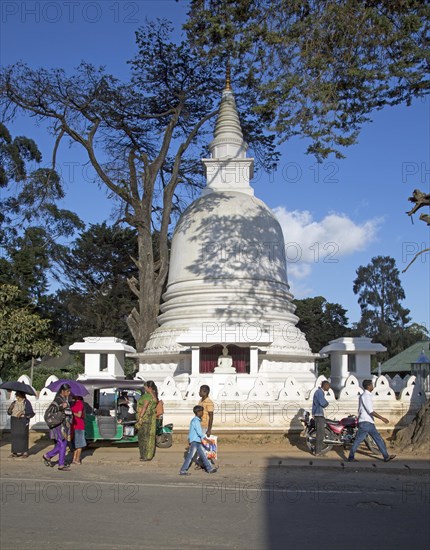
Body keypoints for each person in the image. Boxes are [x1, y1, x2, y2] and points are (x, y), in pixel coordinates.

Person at [348, 379, 396, 463]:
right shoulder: (366, 396)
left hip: (366, 422)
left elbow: (360, 410)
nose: (373, 386)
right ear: (368, 386)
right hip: (366, 422)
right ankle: (351, 457)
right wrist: (382, 418)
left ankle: (386, 456)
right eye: (372, 385)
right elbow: (370, 411)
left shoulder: (364, 395)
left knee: (376, 439)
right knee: (361, 440)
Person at [180, 405, 217, 476]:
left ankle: (209, 469)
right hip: (195, 442)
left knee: (203, 455)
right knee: (190, 456)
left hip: (196, 441)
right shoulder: (196, 421)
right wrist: (206, 440)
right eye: (202, 411)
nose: (203, 413)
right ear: (198, 412)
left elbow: (191, 432)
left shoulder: (194, 420)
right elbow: (199, 432)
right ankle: (183, 470)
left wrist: (189, 439)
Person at [43, 383, 73, 471]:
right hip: (59, 425)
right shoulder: (58, 400)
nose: (69, 393)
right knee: (62, 443)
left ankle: (49, 456)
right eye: (67, 391)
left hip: (64, 425)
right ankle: (60, 464)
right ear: (62, 391)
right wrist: (61, 407)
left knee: (62, 443)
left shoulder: (64, 399)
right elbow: (51, 410)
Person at [7, 391, 35, 458]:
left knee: (23, 436)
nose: (17, 396)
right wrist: (11, 408)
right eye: (16, 395)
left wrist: (23, 412)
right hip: (14, 421)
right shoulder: (14, 402)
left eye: (18, 395)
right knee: (15, 436)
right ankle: (15, 452)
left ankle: (24, 452)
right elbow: (9, 412)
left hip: (22, 421)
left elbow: (31, 413)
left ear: (21, 395)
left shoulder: (26, 402)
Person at [136, 381, 158, 462]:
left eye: (145, 387)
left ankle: (144, 455)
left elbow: (144, 407)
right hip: (150, 418)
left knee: (143, 437)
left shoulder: (147, 396)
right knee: (149, 437)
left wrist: (140, 417)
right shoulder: (154, 395)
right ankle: (148, 455)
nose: (144, 389)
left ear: (149, 388)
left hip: (144, 419)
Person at [312, 380, 330, 456]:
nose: (329, 387)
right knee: (320, 434)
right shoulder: (319, 392)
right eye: (328, 385)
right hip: (319, 415)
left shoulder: (320, 392)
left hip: (320, 414)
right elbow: (323, 403)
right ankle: (318, 451)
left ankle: (318, 451)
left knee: (321, 433)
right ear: (324, 385)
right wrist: (327, 403)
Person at [71, 395, 86, 465]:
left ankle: (77, 459)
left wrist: (71, 413)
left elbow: (79, 415)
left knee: (78, 444)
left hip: (78, 425)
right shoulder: (74, 403)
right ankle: (74, 459)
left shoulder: (79, 403)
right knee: (76, 444)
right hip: (74, 426)